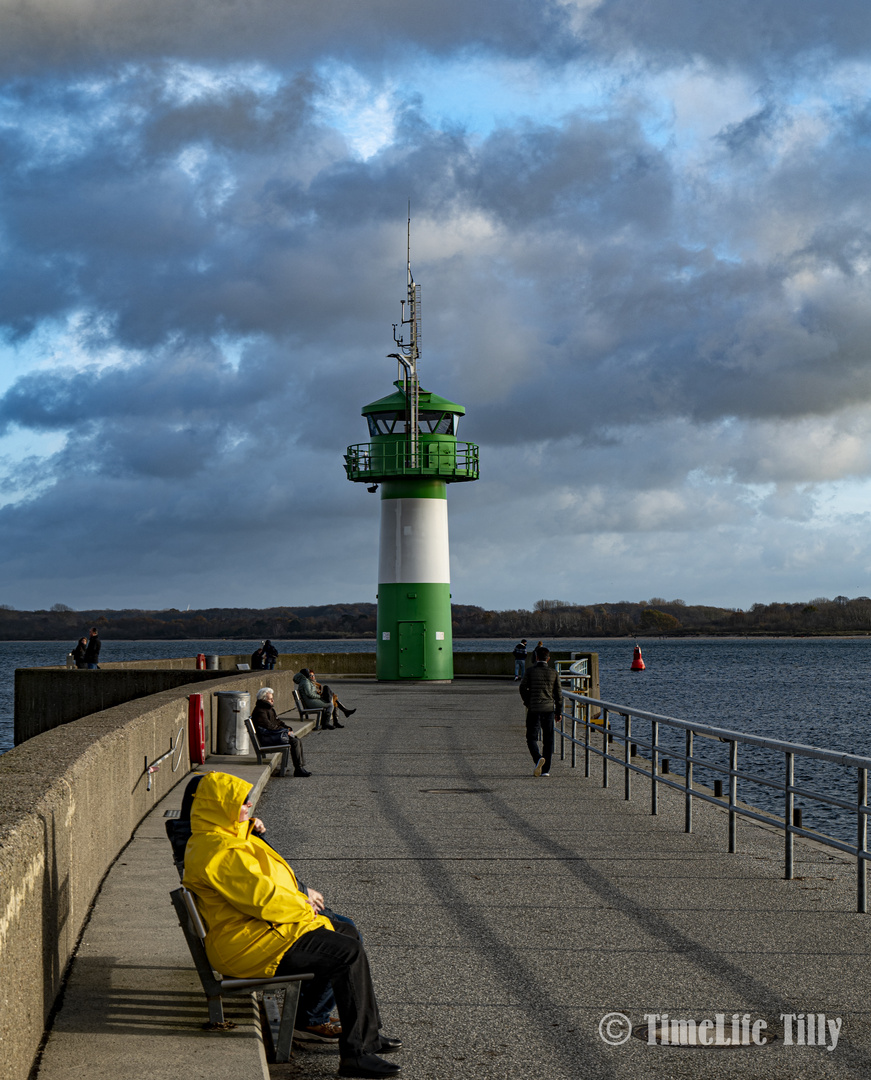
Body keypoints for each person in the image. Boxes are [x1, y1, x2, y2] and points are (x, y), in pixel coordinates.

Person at [183, 771, 402, 1078]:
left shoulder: (222, 838)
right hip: (249, 944)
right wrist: (305, 907)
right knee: (346, 953)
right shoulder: (220, 853)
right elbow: (264, 899)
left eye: (247, 802)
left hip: (258, 932)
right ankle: (357, 1055)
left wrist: (247, 828)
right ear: (220, 807)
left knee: (347, 932)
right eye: (241, 804)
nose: (248, 807)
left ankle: (367, 1036)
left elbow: (264, 882)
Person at [518, 645, 563, 777]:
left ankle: (538, 759)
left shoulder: (530, 671)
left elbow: (522, 688)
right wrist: (558, 712)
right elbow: (558, 694)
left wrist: (528, 702)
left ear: (536, 657)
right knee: (548, 740)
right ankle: (546, 770)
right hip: (549, 710)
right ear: (548, 659)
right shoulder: (554, 673)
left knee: (531, 738)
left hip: (534, 709)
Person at [250, 687, 311, 777]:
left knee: (296, 739)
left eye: (272, 698)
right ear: (264, 699)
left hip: (271, 735)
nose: (273, 700)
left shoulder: (268, 708)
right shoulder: (260, 711)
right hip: (267, 739)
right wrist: (286, 731)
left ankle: (299, 768)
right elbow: (269, 727)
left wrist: (287, 728)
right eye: (270, 699)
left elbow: (277, 722)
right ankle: (298, 769)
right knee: (295, 741)